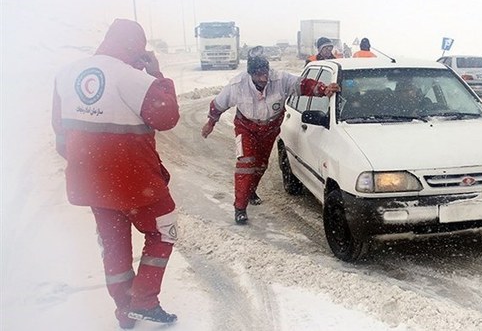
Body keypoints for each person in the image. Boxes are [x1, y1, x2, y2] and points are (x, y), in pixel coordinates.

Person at [51, 19, 180, 329]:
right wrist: (157, 74)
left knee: (114, 243)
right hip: (137, 182)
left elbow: (60, 135)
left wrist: (92, 167)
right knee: (164, 228)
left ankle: (125, 310)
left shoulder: (65, 75)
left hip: (92, 182)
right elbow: (167, 116)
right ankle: (144, 301)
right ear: (136, 47)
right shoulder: (134, 79)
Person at [201, 46, 341, 225]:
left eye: (265, 72)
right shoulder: (237, 86)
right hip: (246, 128)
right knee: (245, 164)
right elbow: (218, 105)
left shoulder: (280, 79)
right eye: (259, 75)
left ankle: (251, 191)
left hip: (270, 129)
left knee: (260, 165)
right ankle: (240, 207)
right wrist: (210, 123)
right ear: (251, 75)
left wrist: (323, 89)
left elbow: (303, 85)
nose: (264, 77)